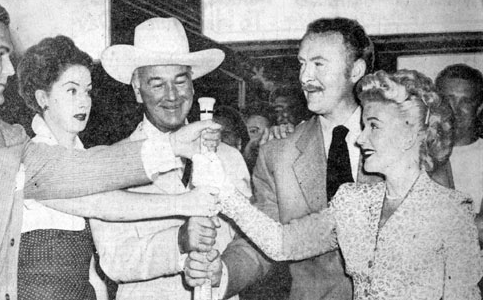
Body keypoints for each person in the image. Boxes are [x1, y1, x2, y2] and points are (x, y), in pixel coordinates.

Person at [0, 0, 220, 299]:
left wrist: (172, 145)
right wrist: (181, 200)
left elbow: (85, 174)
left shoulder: (6, 140)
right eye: (0, 55)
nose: (12, 69)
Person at [194, 69, 483, 300]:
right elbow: (282, 244)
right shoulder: (354, 202)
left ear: (411, 134)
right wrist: (224, 191)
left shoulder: (449, 213)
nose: (360, 138)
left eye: (374, 126)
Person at [188, 17, 381, 300]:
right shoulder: (278, 154)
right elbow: (259, 242)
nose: (305, 77)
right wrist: (223, 273)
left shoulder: (400, 141)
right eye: (302, 64)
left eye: (318, 64)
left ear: (356, 70)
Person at [15, 35, 218, 300]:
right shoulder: (28, 161)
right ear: (43, 98)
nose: (83, 102)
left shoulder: (87, 156)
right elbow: (103, 203)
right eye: (71, 90)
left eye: (87, 91)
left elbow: (90, 273)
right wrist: (186, 203)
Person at [90, 17, 252, 300]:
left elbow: (248, 242)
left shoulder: (229, 158)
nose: (172, 96)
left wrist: (222, 271)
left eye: (180, 81)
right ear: (137, 90)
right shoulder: (112, 164)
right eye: (157, 84)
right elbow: (113, 259)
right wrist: (178, 241)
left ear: (193, 84)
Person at [435, 64, 483, 212]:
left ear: (479, 107)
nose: (455, 110)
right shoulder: (418, 153)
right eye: (448, 100)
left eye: (465, 101)